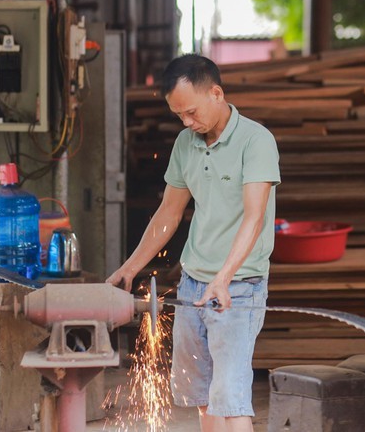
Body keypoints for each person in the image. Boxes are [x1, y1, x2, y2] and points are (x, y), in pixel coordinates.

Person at [107, 54, 280, 432]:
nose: (186, 122)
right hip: (192, 285)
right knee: (201, 396)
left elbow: (254, 217)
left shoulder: (256, 141)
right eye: (178, 115)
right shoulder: (186, 144)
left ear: (216, 93)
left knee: (230, 399)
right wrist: (129, 269)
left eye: (191, 112)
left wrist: (224, 277)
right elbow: (168, 214)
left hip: (238, 287)